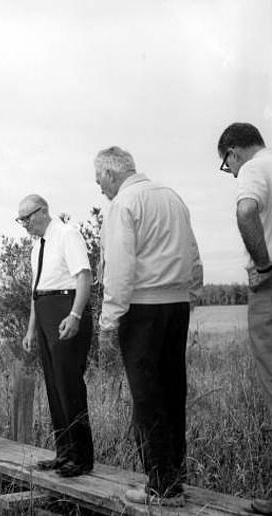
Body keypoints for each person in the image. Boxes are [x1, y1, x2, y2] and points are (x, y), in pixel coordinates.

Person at [95, 146, 203, 507]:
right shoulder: (172, 197)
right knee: (173, 391)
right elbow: (193, 249)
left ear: (111, 174)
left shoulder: (123, 204)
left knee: (147, 398)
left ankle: (162, 486)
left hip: (142, 309)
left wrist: (109, 321)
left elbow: (120, 267)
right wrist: (192, 291)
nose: (101, 190)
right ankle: (174, 475)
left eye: (100, 182)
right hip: (176, 305)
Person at [216, 122, 272, 516]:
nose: (231, 173)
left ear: (234, 152)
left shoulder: (255, 168)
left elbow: (247, 209)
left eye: (227, 164)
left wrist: (265, 265)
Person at [17, 194, 94, 478]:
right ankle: (64, 453)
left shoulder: (66, 234)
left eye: (27, 217)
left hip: (66, 307)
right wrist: (30, 329)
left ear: (43, 211)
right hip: (45, 310)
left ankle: (82, 458)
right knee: (53, 386)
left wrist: (74, 315)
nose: (24, 224)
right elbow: (37, 290)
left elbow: (83, 277)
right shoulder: (36, 245)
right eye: (20, 219)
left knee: (69, 385)